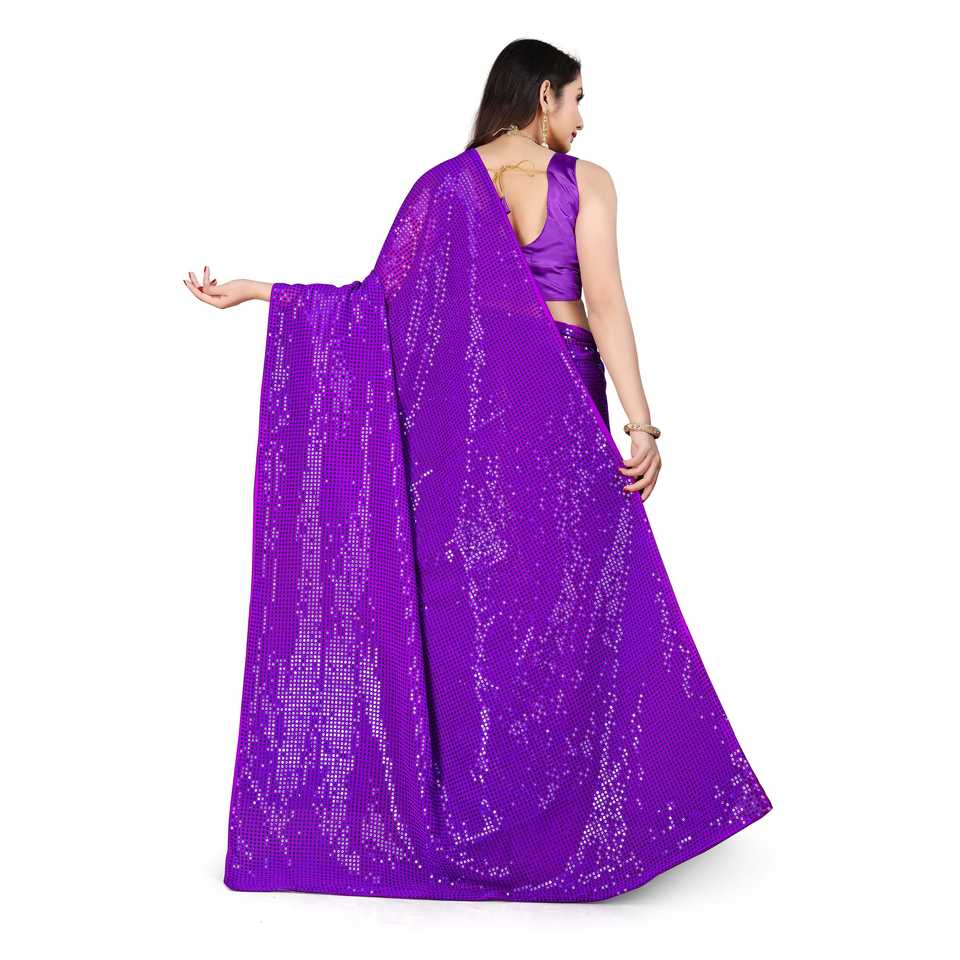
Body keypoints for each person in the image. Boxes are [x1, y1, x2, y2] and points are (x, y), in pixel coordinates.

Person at [183, 39, 772, 903]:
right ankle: (560, 820)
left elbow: (373, 306)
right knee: (576, 600)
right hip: (562, 405)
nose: (582, 118)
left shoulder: (447, 187)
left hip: (476, 427)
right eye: (577, 99)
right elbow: (605, 303)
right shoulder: (587, 183)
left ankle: (491, 815)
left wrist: (265, 293)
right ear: (544, 95)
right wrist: (641, 424)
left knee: (481, 610)